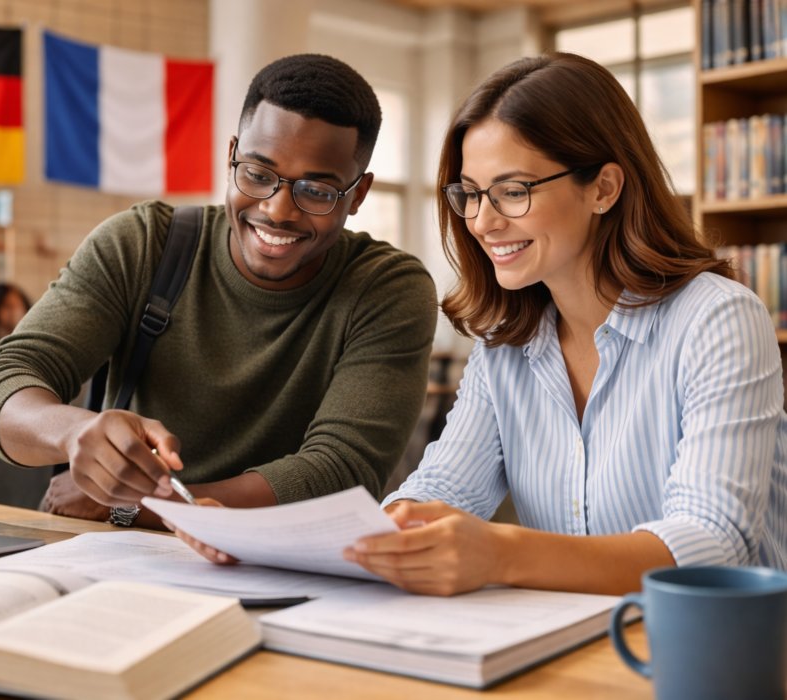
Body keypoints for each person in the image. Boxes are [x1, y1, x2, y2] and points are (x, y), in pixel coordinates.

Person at [316, 52, 787, 596]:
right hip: (578, 650)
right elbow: (443, 487)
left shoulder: (718, 319)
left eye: (513, 191)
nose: (482, 222)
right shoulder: (504, 346)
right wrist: (390, 529)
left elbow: (711, 543)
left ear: (604, 188)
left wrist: (503, 552)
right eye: (470, 193)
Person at [0, 54, 438, 529]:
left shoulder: (387, 289)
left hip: (285, 568)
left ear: (357, 195)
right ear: (231, 153)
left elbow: (341, 472)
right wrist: (74, 433)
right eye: (256, 173)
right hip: (122, 562)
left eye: (316, 190)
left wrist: (140, 505)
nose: (277, 210)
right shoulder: (143, 244)